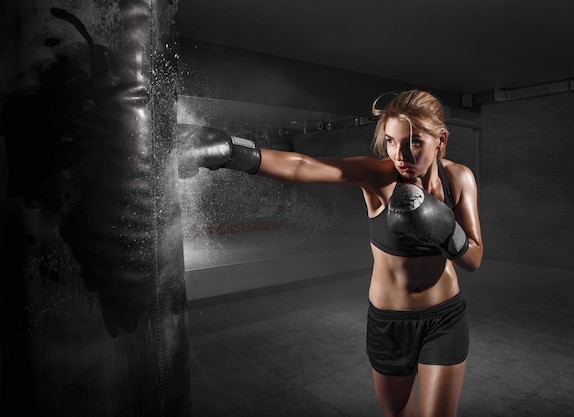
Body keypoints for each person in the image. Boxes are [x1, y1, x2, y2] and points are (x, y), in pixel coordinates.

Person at [178, 90, 483, 417]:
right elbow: (304, 167)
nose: (400, 154)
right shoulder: (379, 177)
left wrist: (447, 231)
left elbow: (473, 260)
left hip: (444, 317)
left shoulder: (459, 178)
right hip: (390, 323)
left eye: (414, 142)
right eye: (392, 141)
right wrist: (233, 154)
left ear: (440, 139)